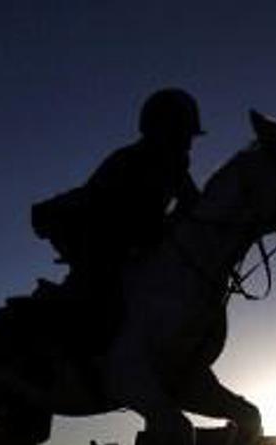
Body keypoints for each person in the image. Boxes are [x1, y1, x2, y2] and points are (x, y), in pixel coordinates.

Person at [30, 88, 205, 350]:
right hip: (97, 240)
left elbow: (195, 207)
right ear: (161, 131)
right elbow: (107, 216)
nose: (189, 143)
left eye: (189, 136)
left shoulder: (175, 167)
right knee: (103, 298)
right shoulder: (126, 162)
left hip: (133, 241)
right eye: (183, 135)